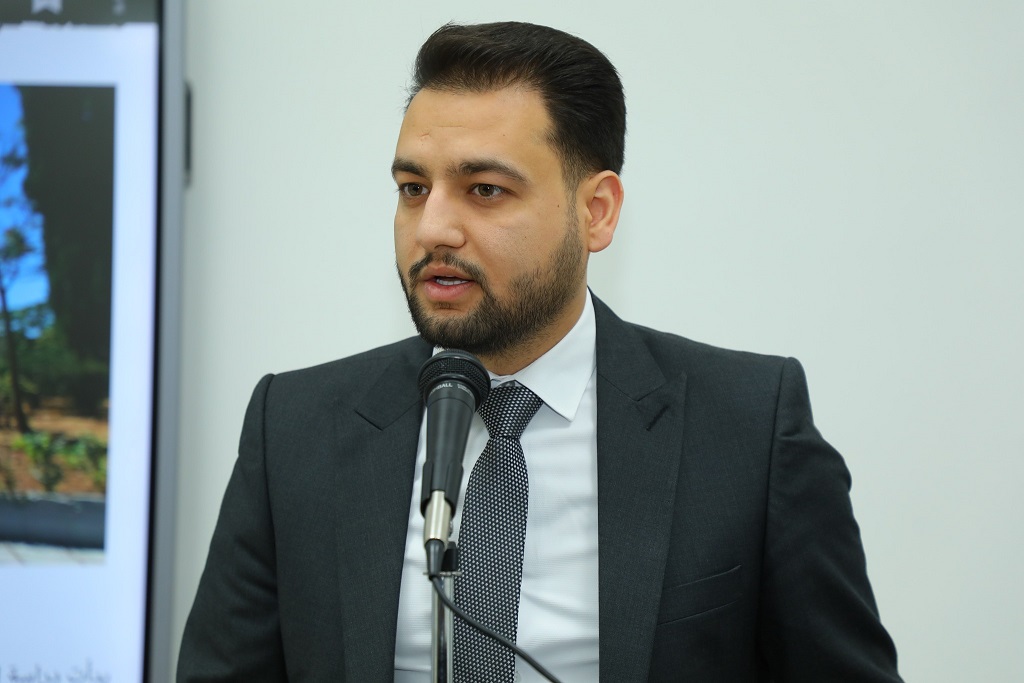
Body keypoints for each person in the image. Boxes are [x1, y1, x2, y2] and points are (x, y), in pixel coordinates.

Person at [178, 21, 901, 682]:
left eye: (485, 189)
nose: (433, 228)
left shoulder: (748, 429)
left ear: (596, 212)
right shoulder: (295, 428)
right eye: (413, 188)